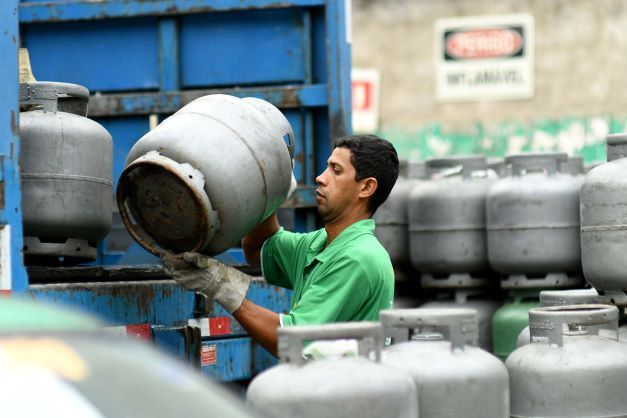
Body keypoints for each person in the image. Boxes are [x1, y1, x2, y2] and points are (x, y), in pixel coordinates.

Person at [162, 134, 400, 356]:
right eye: (327, 167)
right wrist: (270, 189)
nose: (321, 177)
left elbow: (294, 341)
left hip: (348, 397)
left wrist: (224, 289)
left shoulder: (357, 258)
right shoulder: (321, 243)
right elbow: (258, 249)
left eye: (336, 171)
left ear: (367, 187)